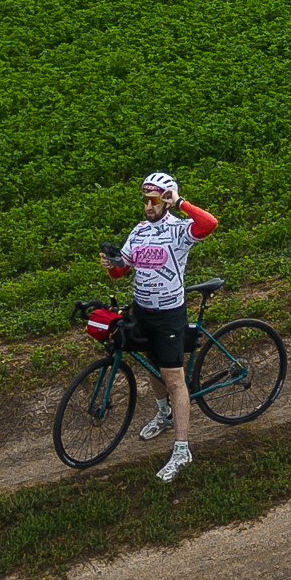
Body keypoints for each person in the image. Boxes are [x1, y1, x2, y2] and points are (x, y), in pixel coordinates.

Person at [100, 171, 217, 482]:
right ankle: (164, 415)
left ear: (166, 199)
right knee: (151, 366)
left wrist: (181, 203)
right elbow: (122, 271)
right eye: (146, 199)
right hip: (142, 311)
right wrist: (113, 265)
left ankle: (182, 450)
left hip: (168, 315)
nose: (148, 205)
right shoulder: (138, 232)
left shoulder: (179, 230)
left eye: (155, 199)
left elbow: (210, 224)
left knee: (175, 379)